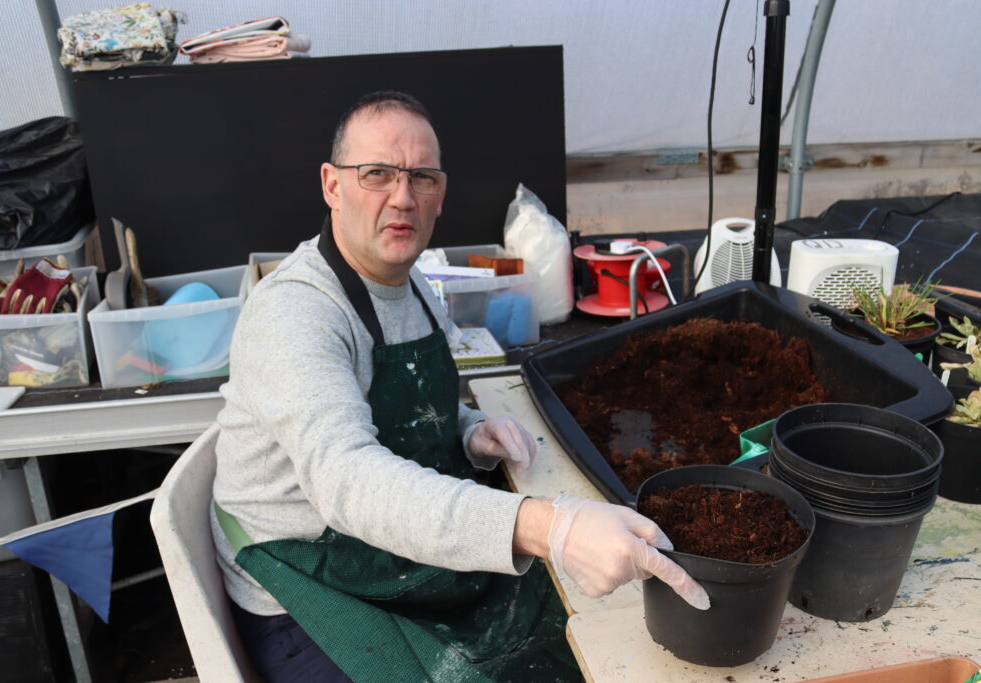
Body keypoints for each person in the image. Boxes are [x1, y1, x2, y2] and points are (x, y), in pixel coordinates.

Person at [211, 91, 709, 683]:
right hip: (306, 585)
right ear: (332, 185)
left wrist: (470, 433)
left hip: (389, 552)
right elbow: (347, 481)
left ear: (440, 196)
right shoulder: (295, 314)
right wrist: (551, 526)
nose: (402, 197)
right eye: (377, 175)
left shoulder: (415, 285)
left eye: (421, 177)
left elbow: (413, 409)